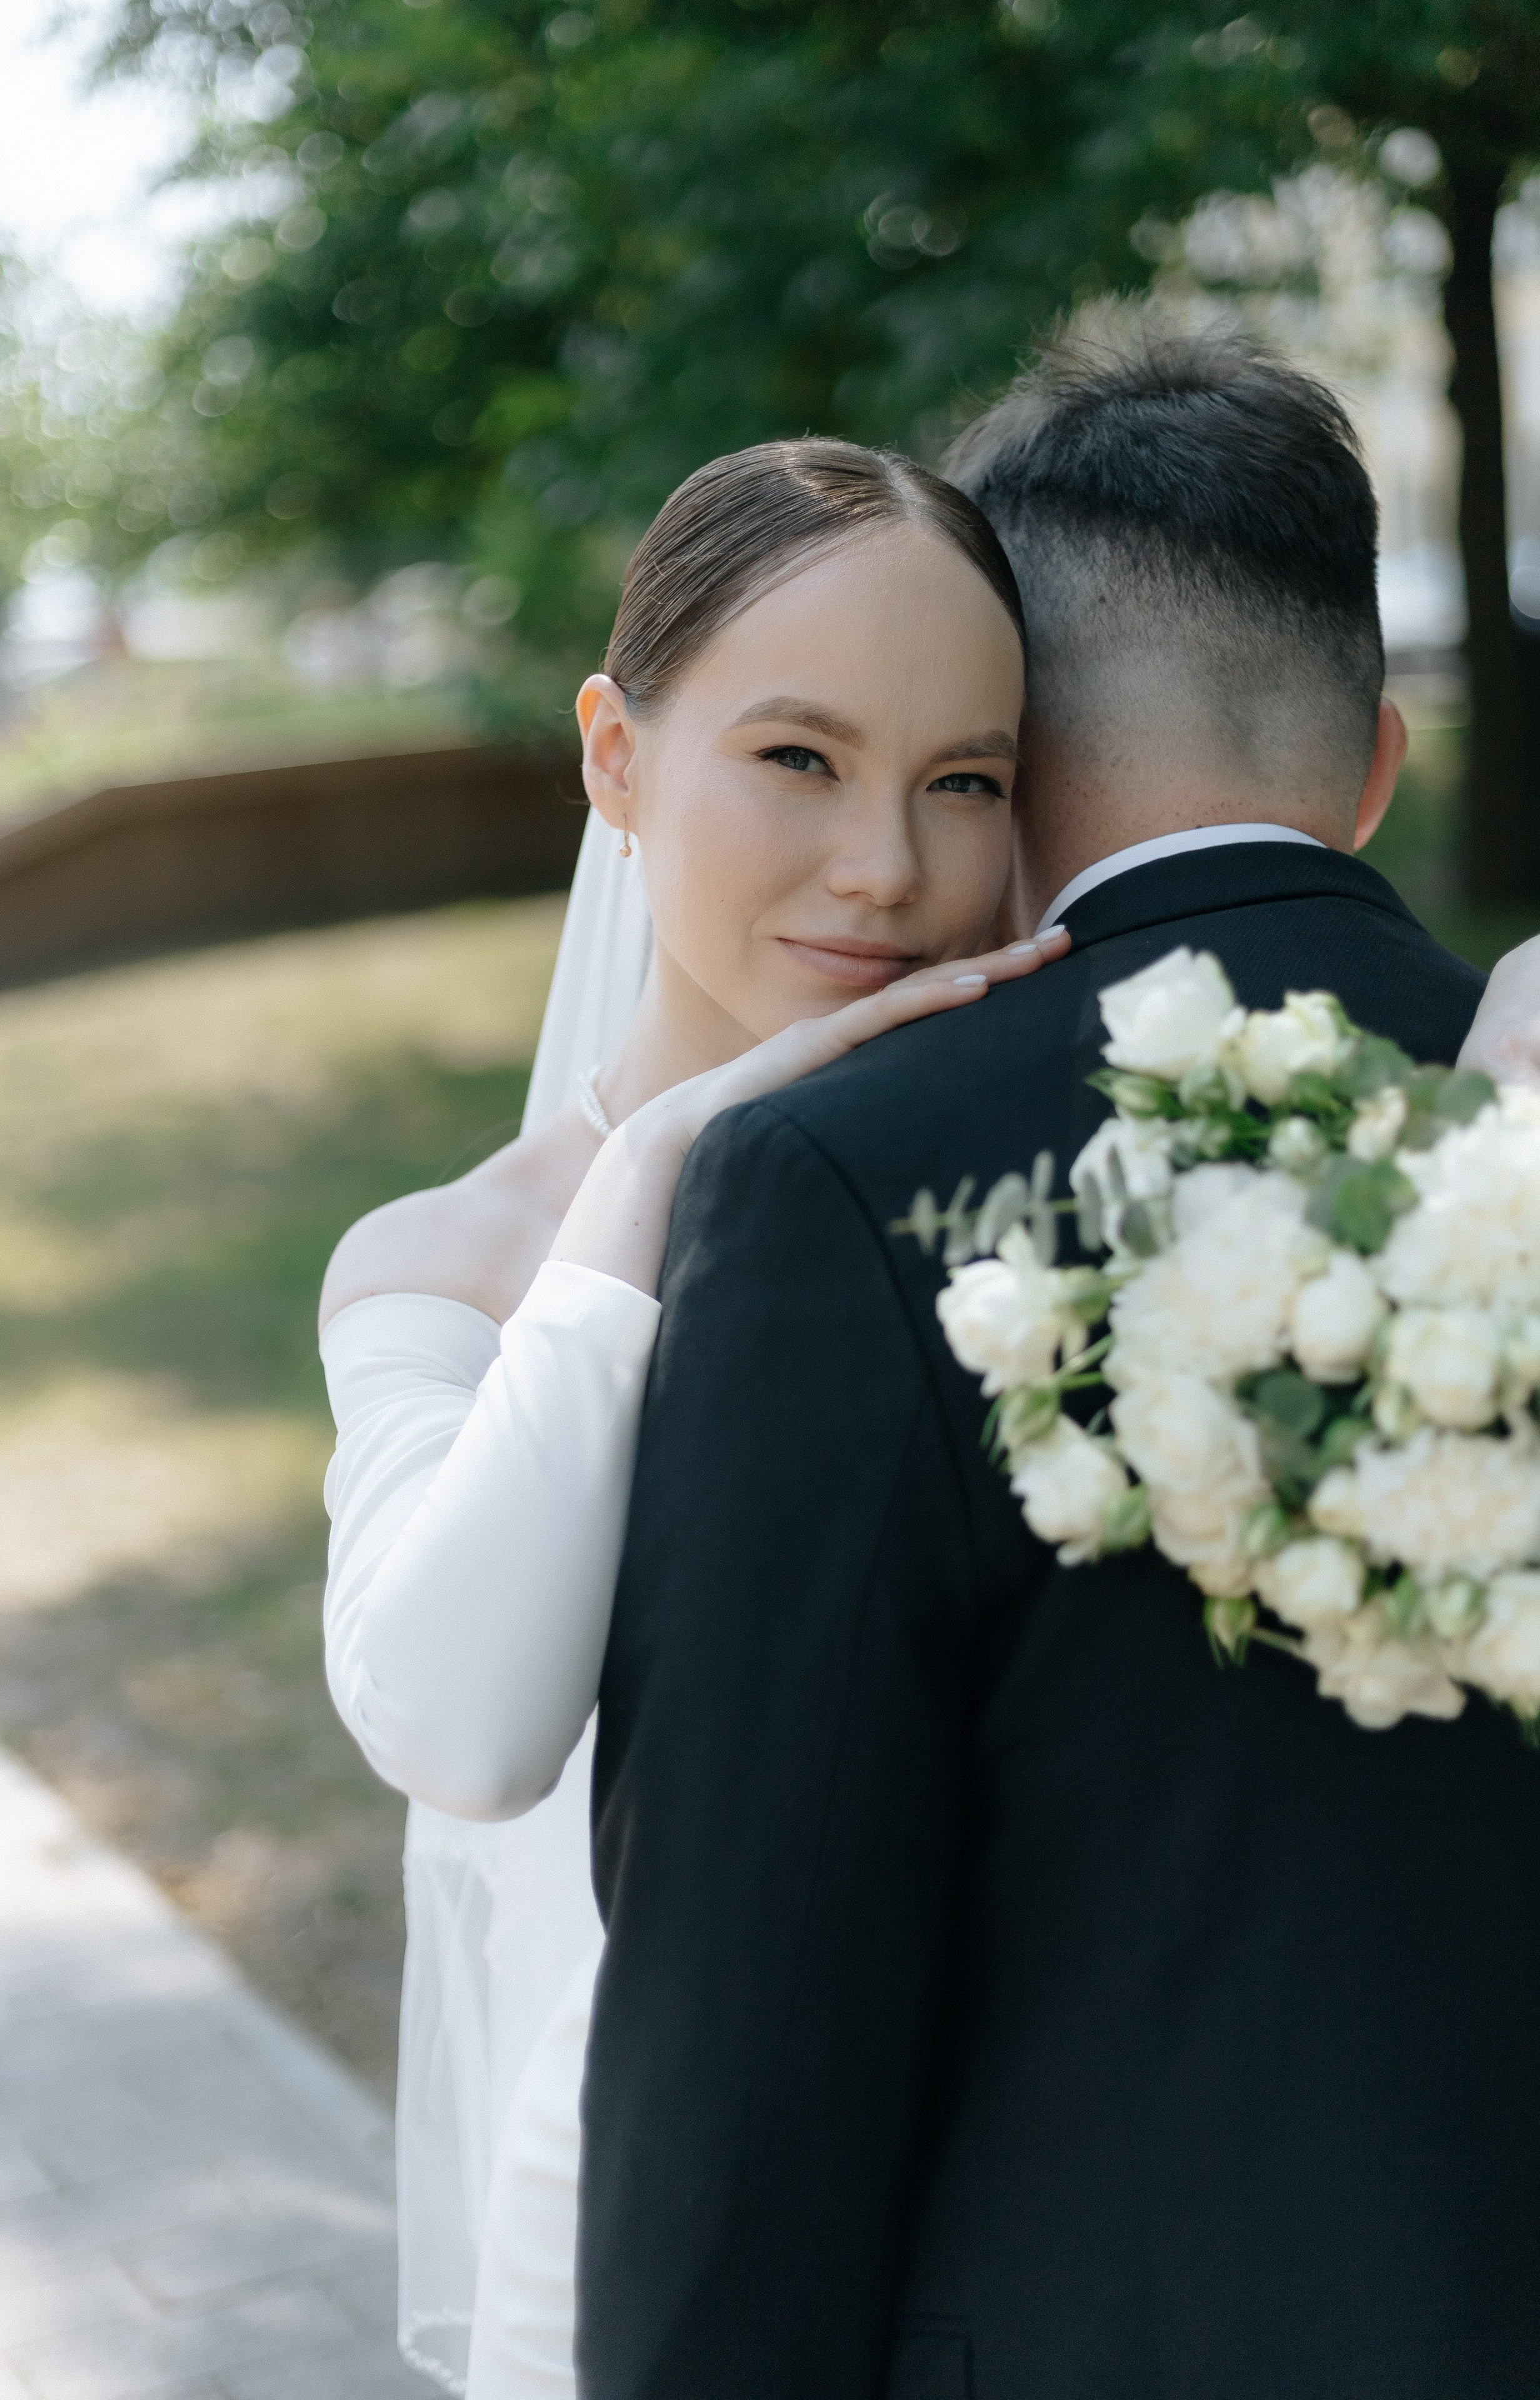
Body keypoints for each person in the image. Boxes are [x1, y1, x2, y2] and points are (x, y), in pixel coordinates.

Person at [575, 317, 1540, 2400]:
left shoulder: (843, 1178)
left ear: (1013, 748)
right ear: (1380, 761)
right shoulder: (1521, 1104)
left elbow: (749, 2036)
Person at [319, 438, 1067, 2392]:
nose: (890, 866)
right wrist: (656, 1168)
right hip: (626, 2261)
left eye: (964, 781)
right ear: (617, 756)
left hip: (1012, 2238)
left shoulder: (1024, 1211)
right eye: (801, 760)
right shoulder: (449, 1262)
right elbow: (460, 1726)